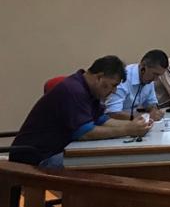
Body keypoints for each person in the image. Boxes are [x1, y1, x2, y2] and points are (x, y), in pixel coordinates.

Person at [9, 56, 151, 169]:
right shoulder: (73, 90)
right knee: (102, 163)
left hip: (55, 150)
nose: (114, 91)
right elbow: (85, 133)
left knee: (108, 158)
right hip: (36, 158)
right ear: (99, 77)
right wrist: (127, 130)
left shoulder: (89, 90)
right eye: (113, 85)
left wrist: (133, 125)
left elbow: (102, 120)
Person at [106, 50, 170, 121]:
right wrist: (146, 116)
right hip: (116, 122)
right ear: (143, 67)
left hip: (134, 121)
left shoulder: (149, 79)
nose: (156, 79)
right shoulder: (123, 78)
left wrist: (154, 111)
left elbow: (151, 104)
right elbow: (113, 113)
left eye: (159, 75)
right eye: (155, 74)